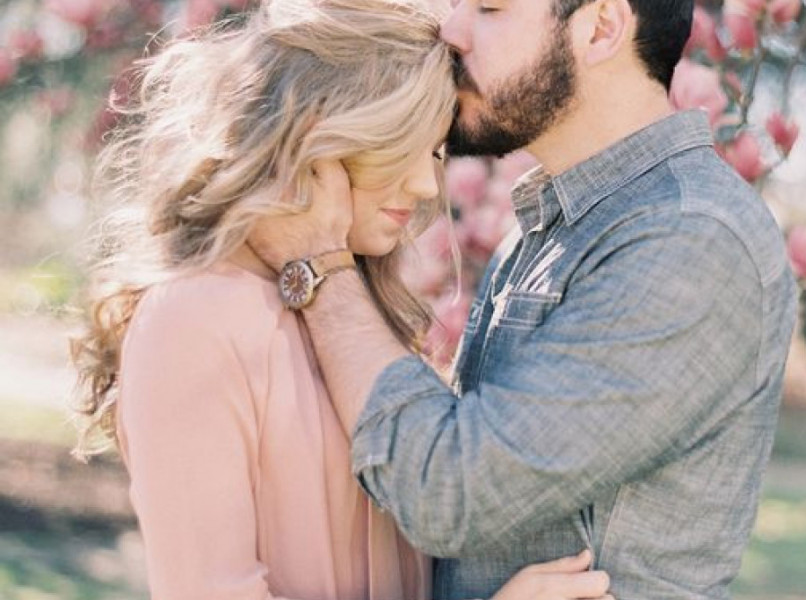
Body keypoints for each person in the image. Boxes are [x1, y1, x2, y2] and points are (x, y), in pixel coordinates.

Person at [248, 0, 800, 598]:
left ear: (601, 28)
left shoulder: (689, 237)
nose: (451, 29)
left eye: (489, 7)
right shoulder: (557, 225)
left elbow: (448, 492)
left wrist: (320, 264)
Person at [69, 0, 615, 598]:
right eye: (398, 145)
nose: (424, 185)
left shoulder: (352, 304)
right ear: (317, 136)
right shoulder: (191, 319)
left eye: (434, 151)